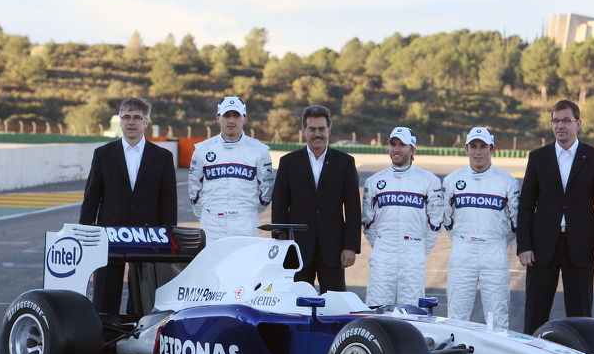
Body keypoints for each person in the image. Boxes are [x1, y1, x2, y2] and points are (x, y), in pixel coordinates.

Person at [516, 99, 594, 335]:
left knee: (581, 319)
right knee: (535, 316)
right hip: (542, 248)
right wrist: (524, 246)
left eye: (566, 121)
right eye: (556, 121)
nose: (560, 126)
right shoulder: (538, 157)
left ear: (578, 123)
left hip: (581, 248)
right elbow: (527, 205)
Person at [79, 97, 178, 314]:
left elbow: (169, 203)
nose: (131, 122)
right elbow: (91, 199)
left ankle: (139, 340)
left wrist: (167, 238)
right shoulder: (103, 154)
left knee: (144, 298)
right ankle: (104, 341)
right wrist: (85, 234)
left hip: (148, 238)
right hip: (109, 236)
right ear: (120, 121)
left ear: (146, 122)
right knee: (104, 299)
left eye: (136, 117)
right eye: (126, 117)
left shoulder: (163, 157)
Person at [271, 105, 361, 293]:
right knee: (296, 305)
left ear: (329, 130)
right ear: (304, 131)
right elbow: (279, 208)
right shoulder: (288, 163)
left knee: (335, 305)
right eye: (312, 129)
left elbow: (353, 209)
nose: (317, 134)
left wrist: (350, 247)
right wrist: (281, 246)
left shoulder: (345, 163)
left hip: (333, 250)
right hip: (297, 251)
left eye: (321, 129)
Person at [443, 127, 521, 327]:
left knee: (498, 317)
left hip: (494, 251)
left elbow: (515, 223)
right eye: (473, 146)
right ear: (466, 149)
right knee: (456, 316)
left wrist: (496, 241)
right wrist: (463, 238)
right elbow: (446, 218)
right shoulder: (452, 181)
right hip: (462, 249)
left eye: (483, 147)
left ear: (492, 149)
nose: (478, 152)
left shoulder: (507, 182)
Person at [362, 127, 444, 307]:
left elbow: (436, 221)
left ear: (412, 149)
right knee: (377, 310)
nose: (396, 149)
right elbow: (368, 222)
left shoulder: (429, 181)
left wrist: (420, 248)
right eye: (393, 144)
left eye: (402, 145)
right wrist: (384, 244)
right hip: (383, 252)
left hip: (414, 252)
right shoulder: (374, 181)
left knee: (411, 311)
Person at [188, 96, 274, 243]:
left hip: (245, 224)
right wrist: (209, 214)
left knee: (243, 266)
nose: (231, 120)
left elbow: (266, 194)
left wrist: (246, 212)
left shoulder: (259, 151)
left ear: (245, 118)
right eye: (226, 115)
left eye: (236, 115)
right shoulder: (202, 150)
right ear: (218, 118)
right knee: (212, 266)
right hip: (211, 225)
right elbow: (193, 191)